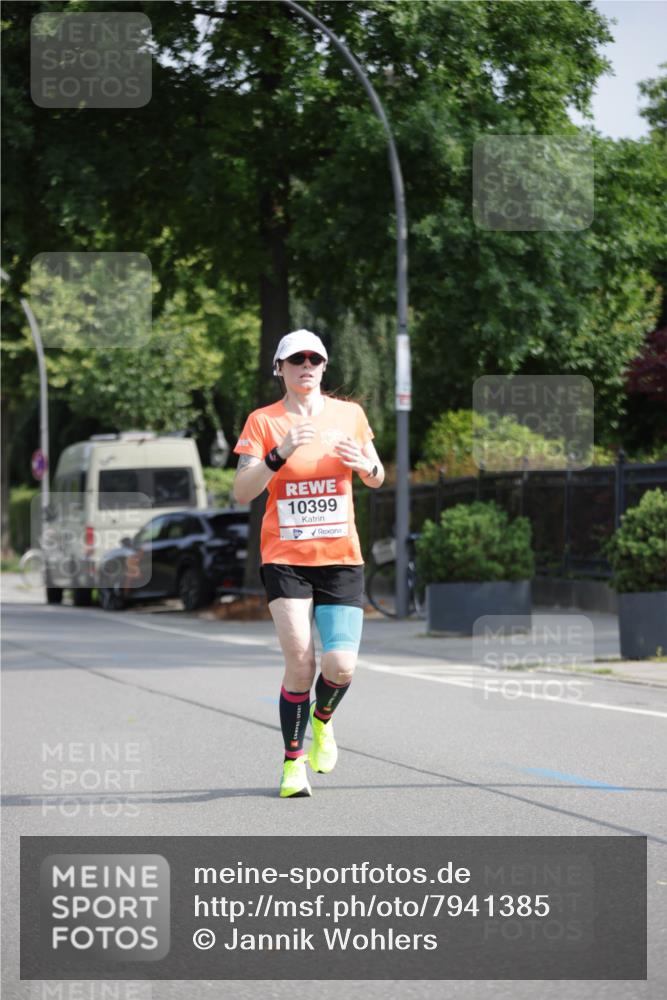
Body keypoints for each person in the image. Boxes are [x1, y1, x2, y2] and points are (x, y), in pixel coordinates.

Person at [233, 329, 384, 797]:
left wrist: (364, 463)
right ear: (279, 368)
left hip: (340, 557)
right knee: (300, 661)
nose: (305, 366)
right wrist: (278, 455)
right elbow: (242, 491)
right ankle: (293, 764)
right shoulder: (263, 421)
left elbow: (377, 477)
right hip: (285, 558)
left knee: (339, 665)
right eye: (295, 359)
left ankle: (323, 720)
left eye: (313, 359)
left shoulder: (350, 415)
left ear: (323, 366)